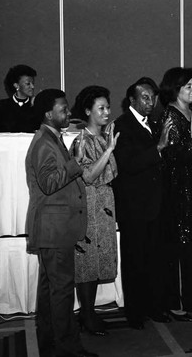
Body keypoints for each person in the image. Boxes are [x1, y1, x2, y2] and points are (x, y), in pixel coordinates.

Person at [25, 89, 97, 357]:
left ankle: (50, 346)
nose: (68, 113)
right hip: (54, 231)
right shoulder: (45, 142)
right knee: (62, 292)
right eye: (63, 109)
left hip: (54, 230)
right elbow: (49, 183)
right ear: (48, 114)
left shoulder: (50, 138)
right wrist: (76, 162)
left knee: (49, 293)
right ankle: (68, 349)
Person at [112, 78, 173, 329]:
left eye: (153, 98)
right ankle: (135, 313)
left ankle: (153, 307)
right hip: (134, 207)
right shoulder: (121, 125)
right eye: (146, 98)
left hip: (155, 205)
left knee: (154, 259)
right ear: (132, 100)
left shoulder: (155, 123)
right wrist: (158, 148)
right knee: (134, 261)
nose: (151, 102)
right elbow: (127, 164)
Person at [159, 67, 192, 321]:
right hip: (178, 190)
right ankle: (175, 302)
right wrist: (191, 141)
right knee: (178, 247)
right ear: (175, 89)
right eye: (188, 86)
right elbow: (171, 157)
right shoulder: (169, 116)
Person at [69, 86, 119, 336]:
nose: (107, 112)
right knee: (88, 262)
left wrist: (108, 145)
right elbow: (88, 176)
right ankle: (87, 315)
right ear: (88, 111)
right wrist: (110, 150)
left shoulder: (102, 136)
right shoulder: (82, 140)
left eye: (108, 107)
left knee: (100, 261)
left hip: (104, 204)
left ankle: (90, 313)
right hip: (89, 204)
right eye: (101, 108)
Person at [0, 64, 40, 133]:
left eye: (33, 83)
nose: (32, 86)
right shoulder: (2, 106)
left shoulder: (37, 106)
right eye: (28, 83)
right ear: (16, 85)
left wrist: (33, 107)